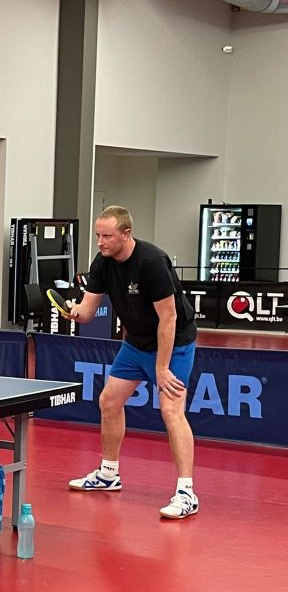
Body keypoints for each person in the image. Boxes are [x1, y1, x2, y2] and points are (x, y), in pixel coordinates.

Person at [64, 205, 199, 520]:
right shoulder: (103, 262)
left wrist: (162, 368)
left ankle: (187, 492)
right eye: (98, 235)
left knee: (171, 410)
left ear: (126, 234)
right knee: (109, 401)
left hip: (174, 344)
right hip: (136, 343)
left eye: (107, 236)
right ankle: (109, 474)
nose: (100, 242)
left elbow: (169, 318)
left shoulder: (152, 262)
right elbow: (88, 309)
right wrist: (76, 312)